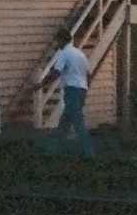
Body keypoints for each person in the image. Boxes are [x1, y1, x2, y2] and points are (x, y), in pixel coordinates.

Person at [39, 27, 95, 159]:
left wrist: (41, 84)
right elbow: (88, 74)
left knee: (77, 121)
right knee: (65, 122)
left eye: (57, 41)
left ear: (61, 40)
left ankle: (89, 152)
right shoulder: (80, 54)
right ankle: (55, 149)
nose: (57, 44)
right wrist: (86, 89)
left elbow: (56, 73)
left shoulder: (64, 53)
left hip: (72, 90)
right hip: (81, 89)